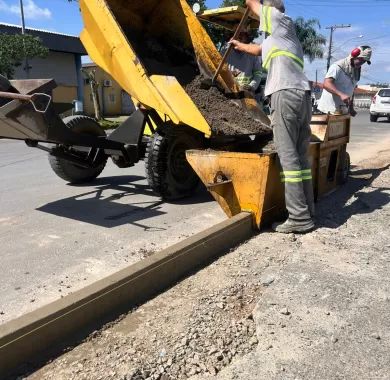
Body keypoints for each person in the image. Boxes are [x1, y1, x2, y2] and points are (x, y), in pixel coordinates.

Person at [230, 0, 315, 233]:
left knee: (288, 161)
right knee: (300, 160)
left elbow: (252, 3)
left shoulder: (278, 19)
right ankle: (308, 209)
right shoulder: (280, 38)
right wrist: (238, 44)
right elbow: (257, 50)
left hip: (285, 95)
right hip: (301, 96)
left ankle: (299, 218)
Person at [317, 46, 372, 116]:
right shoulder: (338, 66)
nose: (362, 63)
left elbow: (352, 90)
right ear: (354, 55)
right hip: (328, 110)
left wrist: (351, 107)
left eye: (365, 61)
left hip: (342, 111)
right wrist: (341, 94)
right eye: (361, 60)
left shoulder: (357, 70)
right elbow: (327, 84)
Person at [225, 30, 263, 94]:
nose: (239, 39)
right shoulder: (225, 53)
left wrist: (251, 86)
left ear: (246, 38)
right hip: (229, 91)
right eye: (237, 36)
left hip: (247, 92)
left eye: (242, 36)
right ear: (231, 38)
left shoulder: (252, 54)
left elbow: (258, 73)